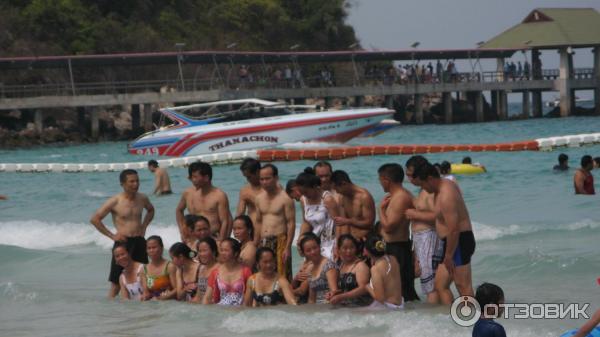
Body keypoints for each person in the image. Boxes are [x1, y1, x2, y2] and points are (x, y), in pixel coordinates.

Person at [413, 162, 476, 304]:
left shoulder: (446, 195)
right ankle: (453, 319)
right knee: (440, 285)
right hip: (451, 243)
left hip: (459, 241)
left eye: (423, 185)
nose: (423, 189)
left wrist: (448, 255)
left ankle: (475, 318)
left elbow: (454, 229)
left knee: (463, 285)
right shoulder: (444, 185)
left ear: (430, 178)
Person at [90, 169, 154, 298]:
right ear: (123, 184)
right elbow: (95, 219)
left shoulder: (142, 198)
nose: (135, 184)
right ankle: (112, 312)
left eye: (137, 181)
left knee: (144, 277)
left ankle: (146, 309)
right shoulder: (115, 201)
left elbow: (151, 210)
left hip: (140, 241)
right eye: (131, 181)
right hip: (123, 243)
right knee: (116, 283)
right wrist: (112, 235)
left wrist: (144, 226)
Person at [377, 163, 419, 302]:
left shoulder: (400, 197)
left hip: (397, 248)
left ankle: (412, 317)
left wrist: (381, 210)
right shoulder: (397, 195)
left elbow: (389, 227)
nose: (380, 184)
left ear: (386, 180)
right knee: (399, 288)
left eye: (380, 180)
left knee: (403, 290)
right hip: (396, 247)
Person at [405, 155, 443, 304]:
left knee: (430, 284)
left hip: (430, 236)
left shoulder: (430, 191)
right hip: (422, 238)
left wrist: (415, 214)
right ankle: (436, 313)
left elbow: (438, 216)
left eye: (410, 174)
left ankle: (434, 315)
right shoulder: (423, 190)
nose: (409, 178)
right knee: (428, 282)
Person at [255, 164, 295, 281]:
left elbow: (291, 223)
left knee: (282, 276)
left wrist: (287, 247)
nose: (264, 182)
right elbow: (258, 222)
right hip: (263, 241)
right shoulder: (259, 198)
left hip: (280, 240)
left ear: (276, 178)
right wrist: (256, 242)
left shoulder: (285, 198)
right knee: (263, 275)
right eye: (262, 179)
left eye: (267, 178)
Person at [176, 161, 232, 242]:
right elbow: (179, 210)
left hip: (213, 237)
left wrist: (222, 240)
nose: (193, 180)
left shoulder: (219, 195)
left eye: (195, 177)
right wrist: (182, 231)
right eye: (191, 177)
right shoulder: (188, 193)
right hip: (194, 238)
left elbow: (226, 221)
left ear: (206, 178)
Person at [297, 168, 340, 260]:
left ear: (315, 187)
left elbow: (338, 224)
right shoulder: (303, 200)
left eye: (306, 192)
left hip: (330, 243)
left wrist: (338, 245)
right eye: (302, 192)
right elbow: (306, 222)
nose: (304, 195)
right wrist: (300, 239)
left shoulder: (327, 199)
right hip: (313, 244)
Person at [204, 238, 252, 306]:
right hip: (220, 311)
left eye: (226, 250)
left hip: (240, 312)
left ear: (236, 253)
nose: (222, 253)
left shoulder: (246, 272)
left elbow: (249, 300)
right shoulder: (215, 273)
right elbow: (207, 298)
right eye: (221, 250)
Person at [331, 170, 375, 241]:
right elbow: (343, 224)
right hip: (351, 240)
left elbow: (369, 223)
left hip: (365, 239)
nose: (337, 192)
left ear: (344, 184)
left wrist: (348, 221)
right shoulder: (342, 197)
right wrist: (339, 243)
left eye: (336, 189)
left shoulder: (364, 197)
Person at [363, 234, 404, 310]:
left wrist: (368, 287)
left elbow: (380, 298)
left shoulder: (375, 269)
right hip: (400, 304)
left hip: (388, 307)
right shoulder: (393, 259)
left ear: (366, 251)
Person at [329, 234, 371, 307]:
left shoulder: (360, 266)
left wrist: (342, 297)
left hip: (361, 308)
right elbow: (345, 289)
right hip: (345, 308)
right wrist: (334, 294)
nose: (348, 251)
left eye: (352, 247)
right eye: (345, 248)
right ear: (338, 250)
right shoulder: (340, 266)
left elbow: (364, 288)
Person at [300, 233, 339, 304]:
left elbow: (334, 292)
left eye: (315, 248)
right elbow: (311, 299)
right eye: (308, 250)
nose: (313, 252)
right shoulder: (309, 269)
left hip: (330, 306)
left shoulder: (329, 265)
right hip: (317, 309)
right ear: (304, 253)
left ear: (319, 246)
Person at [140, 236, 176, 300]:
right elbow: (146, 292)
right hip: (153, 304)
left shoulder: (170, 266)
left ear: (162, 248)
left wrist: (164, 297)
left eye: (154, 247)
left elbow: (177, 289)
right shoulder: (144, 269)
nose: (151, 250)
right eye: (149, 248)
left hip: (169, 304)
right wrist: (144, 296)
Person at [191, 237, 219, 304]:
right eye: (200, 251)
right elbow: (198, 296)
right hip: (202, 307)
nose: (202, 254)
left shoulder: (220, 269)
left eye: (205, 250)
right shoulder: (202, 269)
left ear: (214, 251)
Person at [236, 158, 262, 225]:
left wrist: (253, 199)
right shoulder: (244, 190)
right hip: (252, 229)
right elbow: (239, 214)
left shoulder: (270, 187)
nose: (247, 180)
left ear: (258, 172)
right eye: (245, 177)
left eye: (249, 177)